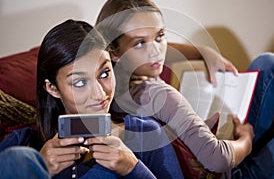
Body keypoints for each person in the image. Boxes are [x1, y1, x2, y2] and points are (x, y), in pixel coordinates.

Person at [95, 0, 274, 178]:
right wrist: (245, 140)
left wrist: (203, 51)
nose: (156, 51)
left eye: (160, 36)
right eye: (140, 43)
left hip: (204, 152)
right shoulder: (159, 95)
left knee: (269, 65)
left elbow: (153, 48)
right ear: (115, 52)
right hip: (235, 172)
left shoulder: (106, 85)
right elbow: (217, 159)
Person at [0, 19, 183, 179]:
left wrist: (132, 168)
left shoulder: (146, 134)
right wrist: (39, 170)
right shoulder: (21, 145)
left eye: (104, 73)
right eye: (79, 82)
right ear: (52, 88)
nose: (99, 94)